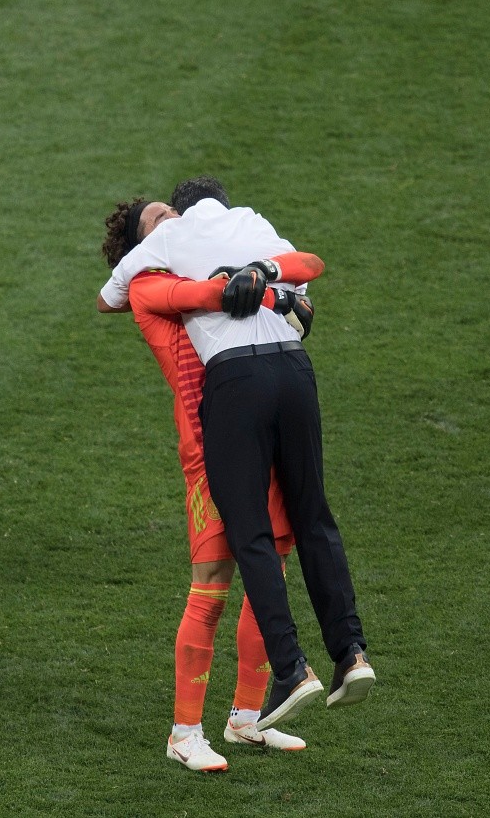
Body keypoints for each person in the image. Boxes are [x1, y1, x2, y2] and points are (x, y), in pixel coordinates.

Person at [98, 177, 376, 734]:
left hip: (250, 409)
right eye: (157, 221)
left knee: (270, 555)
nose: (173, 222)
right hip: (209, 442)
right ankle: (185, 732)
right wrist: (267, 287)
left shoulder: (197, 252)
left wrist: (267, 284)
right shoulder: (151, 283)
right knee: (214, 580)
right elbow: (204, 296)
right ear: (142, 245)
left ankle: (250, 714)